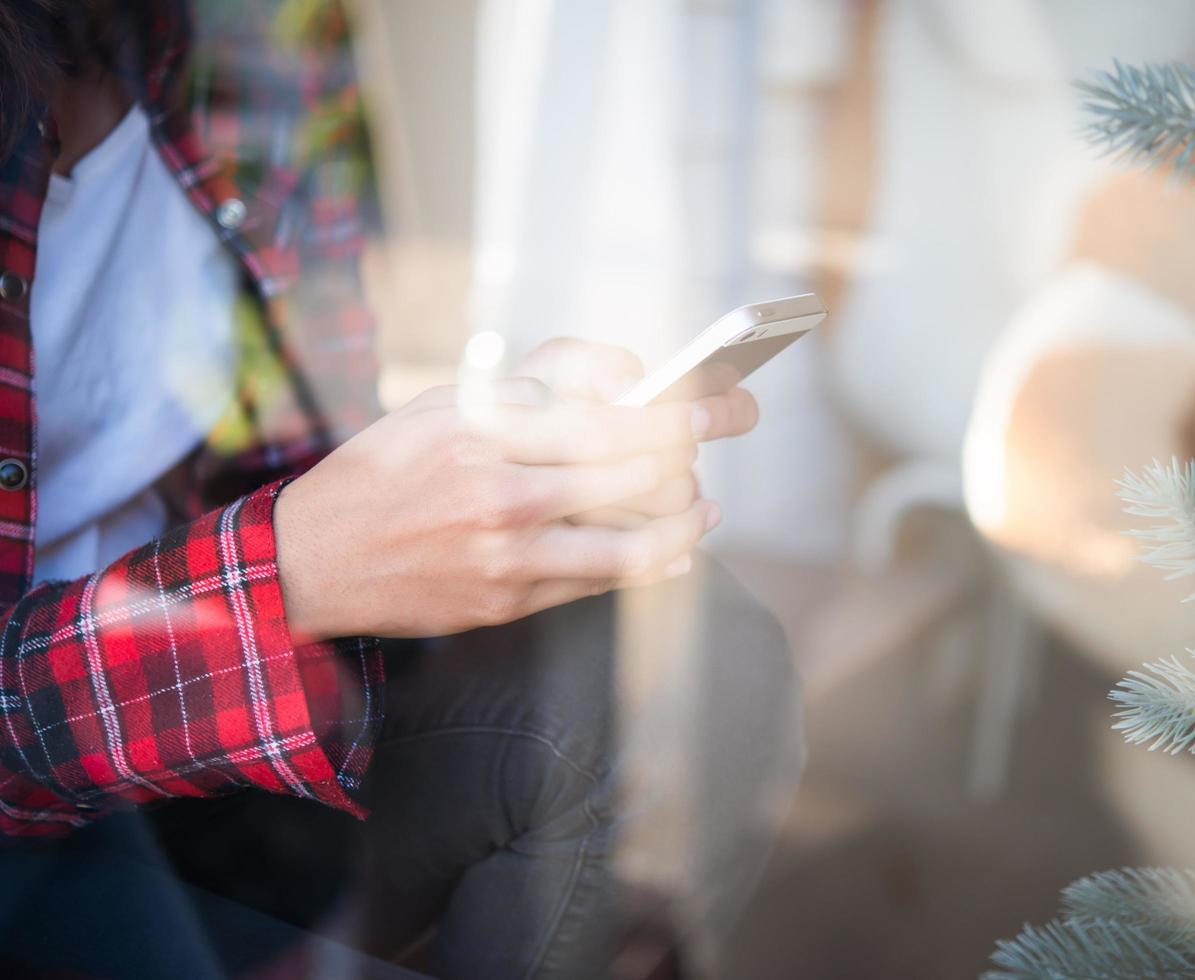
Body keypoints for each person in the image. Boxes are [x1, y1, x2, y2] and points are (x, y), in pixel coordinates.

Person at [0, 1, 804, 977]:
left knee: (703, 660)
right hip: (48, 768)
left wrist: (476, 457)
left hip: (201, 740)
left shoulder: (265, 34)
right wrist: (287, 567)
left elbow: (294, 442)